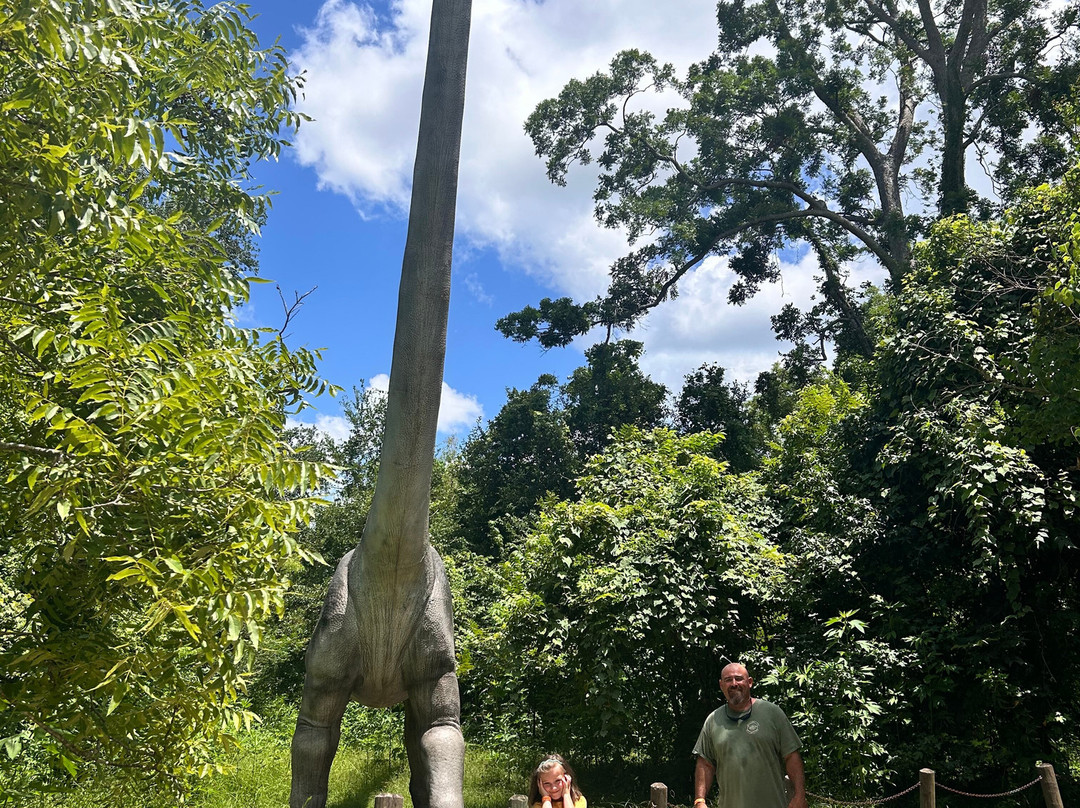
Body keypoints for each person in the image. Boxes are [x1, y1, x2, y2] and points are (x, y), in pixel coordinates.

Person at [692, 662, 807, 808]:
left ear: (750, 682)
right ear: (721, 685)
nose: (734, 684)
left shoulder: (772, 713)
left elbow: (792, 756)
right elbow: (705, 763)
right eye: (728, 680)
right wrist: (699, 800)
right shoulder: (713, 721)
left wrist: (799, 795)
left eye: (739, 678)